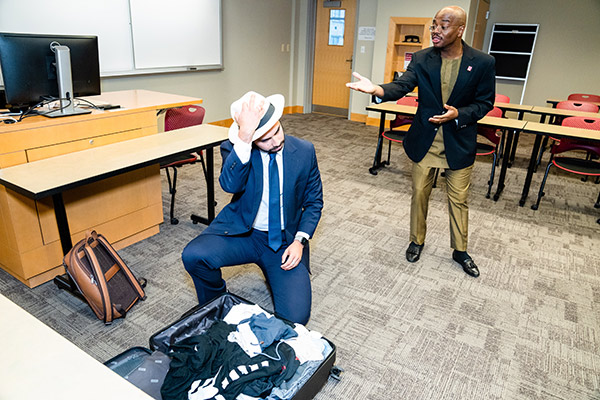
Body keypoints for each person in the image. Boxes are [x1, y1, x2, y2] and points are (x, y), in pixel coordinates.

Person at [346, 5, 495, 278]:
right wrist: (378, 89)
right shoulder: (422, 58)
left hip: (459, 143)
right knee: (419, 195)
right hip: (425, 141)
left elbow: (485, 103)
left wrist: (459, 114)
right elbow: (403, 85)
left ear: (460, 30)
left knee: (459, 200)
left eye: (444, 25)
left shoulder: (483, 62)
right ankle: (417, 240)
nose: (436, 30)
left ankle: (460, 251)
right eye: (434, 25)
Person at [182, 91, 323, 324]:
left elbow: (314, 202)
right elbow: (230, 185)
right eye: (265, 139)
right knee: (194, 256)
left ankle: (272, 270)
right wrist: (245, 138)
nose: (276, 141)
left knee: (296, 317)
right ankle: (217, 304)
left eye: (277, 131)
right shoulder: (236, 148)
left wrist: (300, 241)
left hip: (284, 241)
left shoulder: (304, 151)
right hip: (243, 234)